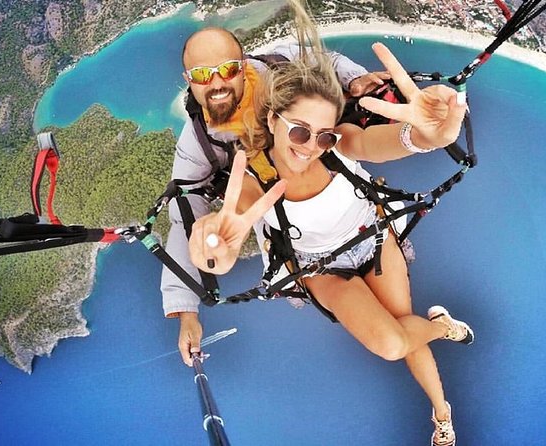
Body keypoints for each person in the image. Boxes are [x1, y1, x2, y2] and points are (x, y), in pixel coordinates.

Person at [186, 1, 472, 444]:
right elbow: (230, 224)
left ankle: (442, 414)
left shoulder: (340, 145)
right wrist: (214, 249)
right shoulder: (255, 176)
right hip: (321, 269)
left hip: (372, 238)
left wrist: (424, 137)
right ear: (272, 120)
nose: (312, 146)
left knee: (402, 320)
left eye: (323, 135)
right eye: (300, 131)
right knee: (394, 343)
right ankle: (441, 326)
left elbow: (377, 143)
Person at [161, 26, 390, 367]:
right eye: (202, 75)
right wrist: (185, 309)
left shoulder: (277, 65)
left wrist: (354, 79)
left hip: (329, 184)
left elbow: (324, 62)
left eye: (227, 70)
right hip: (283, 220)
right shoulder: (198, 141)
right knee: (381, 332)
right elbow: (185, 211)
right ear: (188, 80)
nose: (217, 83)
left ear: (243, 64)